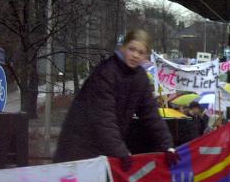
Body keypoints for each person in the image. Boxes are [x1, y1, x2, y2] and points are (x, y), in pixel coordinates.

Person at [54, 30, 176, 168]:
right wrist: (120, 152)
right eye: (132, 49)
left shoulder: (140, 77)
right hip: (79, 146)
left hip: (104, 149)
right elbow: (104, 118)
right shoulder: (106, 73)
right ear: (123, 47)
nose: (135, 55)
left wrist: (167, 146)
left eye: (141, 52)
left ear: (146, 55)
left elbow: (151, 114)